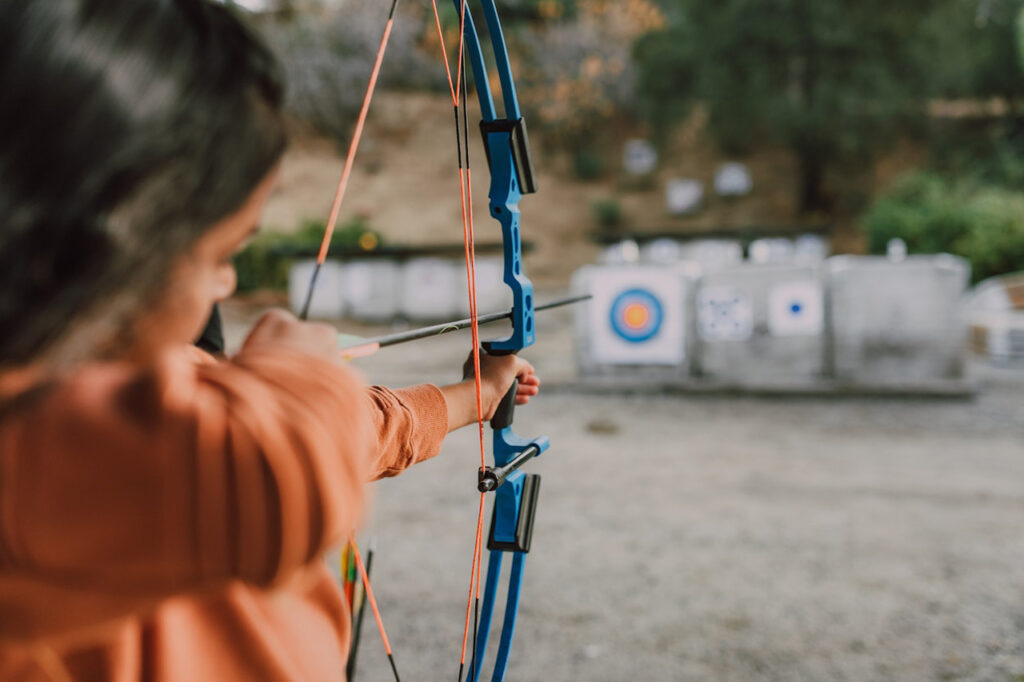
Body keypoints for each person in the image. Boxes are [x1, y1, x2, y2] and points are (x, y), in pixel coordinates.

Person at [0, 1, 540, 680]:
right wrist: (295, 368)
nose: (225, 285)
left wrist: (478, 395)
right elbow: (274, 462)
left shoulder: (171, 400)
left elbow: (354, 430)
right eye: (219, 253)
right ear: (110, 239)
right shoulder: (32, 443)